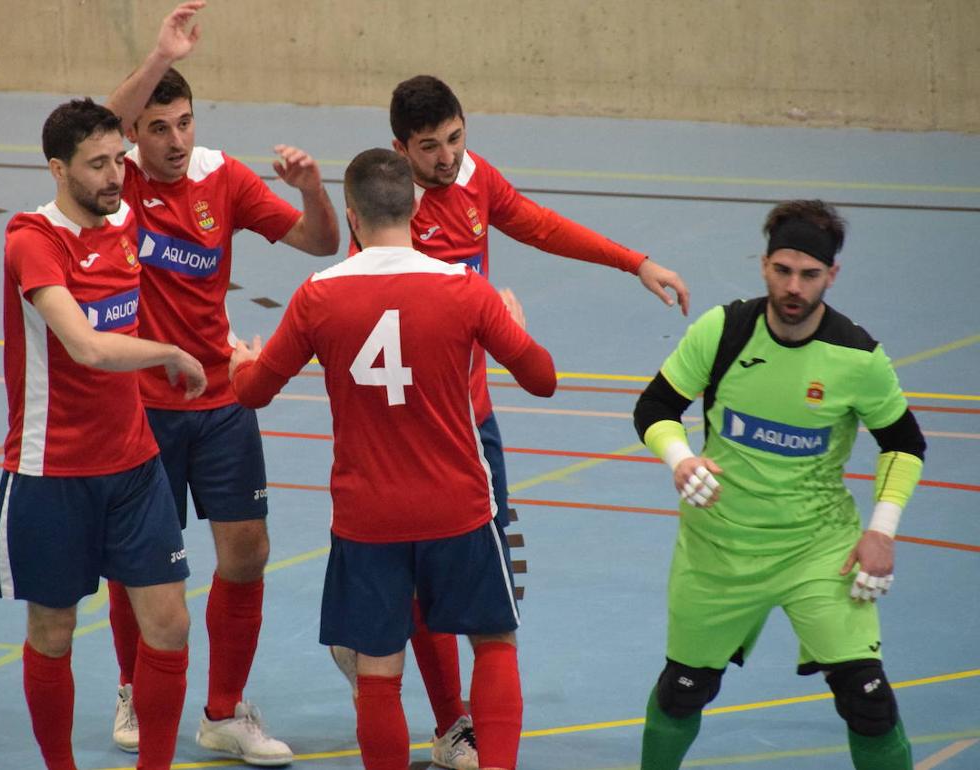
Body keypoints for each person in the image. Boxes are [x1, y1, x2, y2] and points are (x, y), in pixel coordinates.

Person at [332, 73, 695, 770]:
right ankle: (440, 711)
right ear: (399, 148)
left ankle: (447, 723)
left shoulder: (474, 180)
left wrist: (634, 262)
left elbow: (536, 223)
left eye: (456, 139)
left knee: (457, 591)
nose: (446, 158)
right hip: (412, 428)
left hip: (474, 420)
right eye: (430, 147)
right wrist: (500, 325)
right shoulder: (382, 227)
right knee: (436, 588)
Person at [230, 147, 558, 770]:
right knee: (493, 642)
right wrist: (519, 326)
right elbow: (541, 378)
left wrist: (240, 362)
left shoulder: (316, 296)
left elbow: (253, 394)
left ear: (350, 216)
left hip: (366, 518)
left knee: (378, 670)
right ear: (414, 206)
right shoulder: (465, 289)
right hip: (457, 509)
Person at [98, 2, 340, 763]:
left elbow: (320, 242)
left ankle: (224, 712)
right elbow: (92, 122)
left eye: (185, 124)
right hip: (142, 403)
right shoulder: (117, 184)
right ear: (135, 135)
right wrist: (160, 56)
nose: (175, 141)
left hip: (223, 400)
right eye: (159, 127)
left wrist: (309, 187)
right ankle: (135, 691)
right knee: (142, 567)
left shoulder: (222, 179)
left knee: (248, 552)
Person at [632, 199, 925, 770]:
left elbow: (903, 444)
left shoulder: (858, 358)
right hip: (719, 550)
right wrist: (680, 459)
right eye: (782, 270)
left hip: (817, 550)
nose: (794, 287)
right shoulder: (723, 331)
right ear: (764, 264)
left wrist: (881, 531)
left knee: (869, 704)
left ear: (831, 276)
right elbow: (656, 407)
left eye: (809, 275)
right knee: (682, 691)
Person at [0, 97, 208, 770]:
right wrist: (168, 352)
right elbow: (86, 347)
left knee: (168, 626)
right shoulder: (32, 242)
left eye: (119, 160)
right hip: (52, 473)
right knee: (54, 631)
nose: (115, 176)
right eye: (98, 164)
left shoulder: (124, 223)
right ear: (58, 169)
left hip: (134, 466)